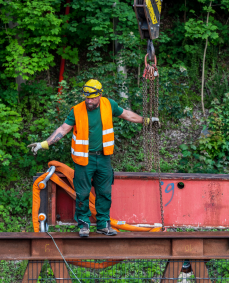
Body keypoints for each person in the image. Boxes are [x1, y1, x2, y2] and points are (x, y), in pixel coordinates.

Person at [28, 79, 159, 237]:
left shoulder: (108, 105)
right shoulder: (76, 110)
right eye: (86, 98)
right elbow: (63, 129)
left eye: (92, 98)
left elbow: (126, 114)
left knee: (104, 192)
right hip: (84, 160)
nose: (89, 101)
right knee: (82, 193)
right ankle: (83, 224)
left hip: (103, 158)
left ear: (100, 95)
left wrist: (146, 121)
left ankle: (103, 224)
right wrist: (44, 144)